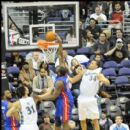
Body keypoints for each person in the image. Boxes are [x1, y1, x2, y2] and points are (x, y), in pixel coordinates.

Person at [78, 60, 110, 130]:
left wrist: (103, 80)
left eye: (92, 63)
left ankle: (101, 117)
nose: (90, 64)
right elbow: (78, 72)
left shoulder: (98, 74)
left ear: (96, 66)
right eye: (90, 63)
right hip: (83, 98)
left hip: (95, 97)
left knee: (95, 119)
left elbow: (107, 83)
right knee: (83, 119)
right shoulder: (86, 72)